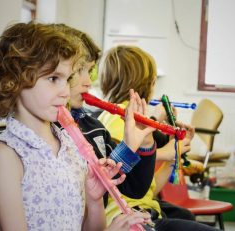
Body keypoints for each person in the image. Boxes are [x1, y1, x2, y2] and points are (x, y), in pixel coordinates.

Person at [0, 22, 151, 230]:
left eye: (67, 78)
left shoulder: (70, 146)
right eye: (53, 78)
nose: (65, 91)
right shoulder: (6, 155)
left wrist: (94, 200)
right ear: (14, 80)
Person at [98, 45, 219, 230]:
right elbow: (119, 159)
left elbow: (149, 189)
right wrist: (166, 151)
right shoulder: (120, 117)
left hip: (144, 208)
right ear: (150, 83)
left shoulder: (115, 114)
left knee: (184, 215)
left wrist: (174, 155)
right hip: (125, 215)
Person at [51, 24, 157, 205]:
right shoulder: (47, 133)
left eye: (90, 71)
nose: (88, 83)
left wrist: (143, 143)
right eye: (78, 71)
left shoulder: (94, 129)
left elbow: (133, 188)